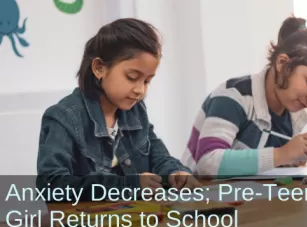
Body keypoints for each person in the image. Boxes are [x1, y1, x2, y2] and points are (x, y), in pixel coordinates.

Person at [36, 18, 200, 200]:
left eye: (147, 81)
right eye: (131, 77)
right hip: (87, 223)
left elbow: (158, 156)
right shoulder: (63, 117)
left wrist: (176, 172)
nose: (140, 90)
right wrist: (127, 185)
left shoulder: (136, 111)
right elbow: (51, 185)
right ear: (99, 68)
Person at [180, 16, 307, 177]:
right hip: (201, 197)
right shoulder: (233, 96)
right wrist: (282, 154)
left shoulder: (292, 115)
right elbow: (208, 162)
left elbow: (260, 163)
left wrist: (288, 159)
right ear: (282, 64)